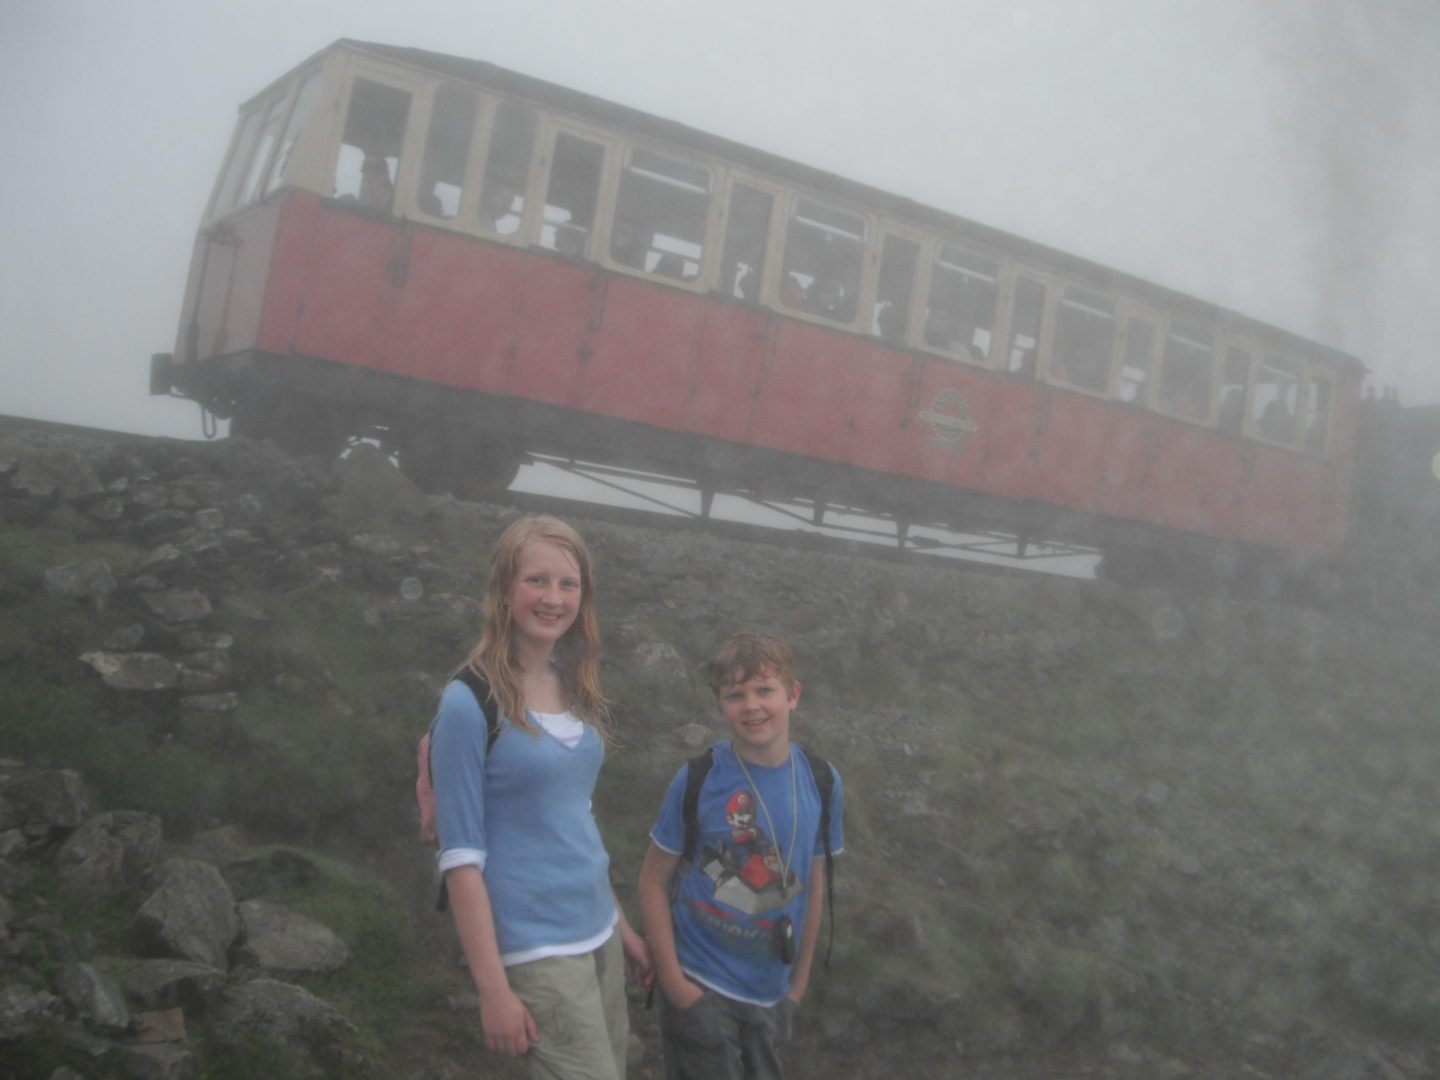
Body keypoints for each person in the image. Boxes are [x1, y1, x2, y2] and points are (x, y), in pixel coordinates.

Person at [429, 515, 651, 1080]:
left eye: (568, 583)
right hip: (537, 948)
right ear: (505, 590)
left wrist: (619, 924)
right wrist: (493, 991)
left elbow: (574, 816)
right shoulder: (469, 699)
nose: (554, 598)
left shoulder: (574, 685)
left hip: (597, 931)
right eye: (537, 581)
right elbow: (459, 859)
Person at [638, 632, 844, 1080]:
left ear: (792, 696)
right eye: (735, 695)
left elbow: (814, 885)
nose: (751, 705)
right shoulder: (699, 779)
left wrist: (798, 987)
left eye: (764, 690)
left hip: (772, 994)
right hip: (701, 983)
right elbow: (653, 881)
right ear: (721, 706)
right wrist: (676, 986)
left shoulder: (822, 782)